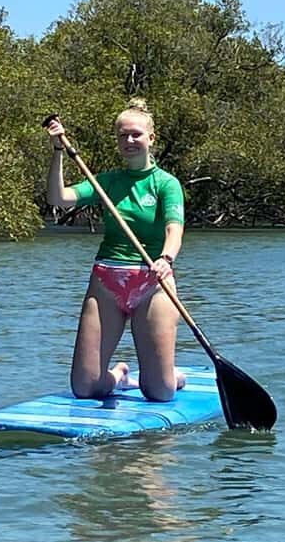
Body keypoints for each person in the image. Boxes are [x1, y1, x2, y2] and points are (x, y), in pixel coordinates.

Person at [45, 99, 186, 402]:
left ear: (151, 138)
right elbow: (59, 198)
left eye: (135, 134)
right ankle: (119, 375)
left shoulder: (166, 184)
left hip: (153, 283)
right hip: (107, 282)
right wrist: (58, 151)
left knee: (159, 392)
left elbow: (175, 229)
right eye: (122, 136)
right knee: (85, 388)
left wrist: (166, 258)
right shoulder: (107, 181)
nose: (129, 141)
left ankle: (171, 375)